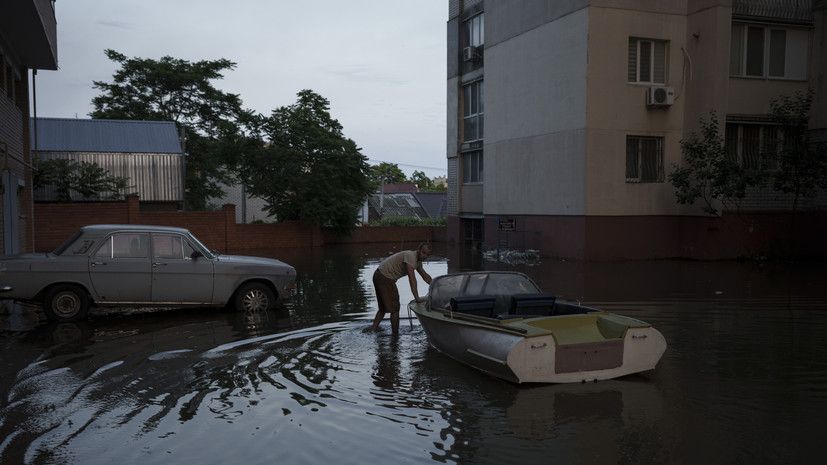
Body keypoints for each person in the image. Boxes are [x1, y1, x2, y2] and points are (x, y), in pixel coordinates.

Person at [371, 243, 432, 334]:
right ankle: (395, 336)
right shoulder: (411, 257)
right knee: (395, 309)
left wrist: (437, 286)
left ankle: (373, 330)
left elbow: (425, 276)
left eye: (427, 255)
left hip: (378, 274)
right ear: (418, 250)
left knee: (383, 309)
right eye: (423, 253)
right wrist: (417, 298)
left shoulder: (417, 262)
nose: (424, 256)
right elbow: (412, 279)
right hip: (385, 277)